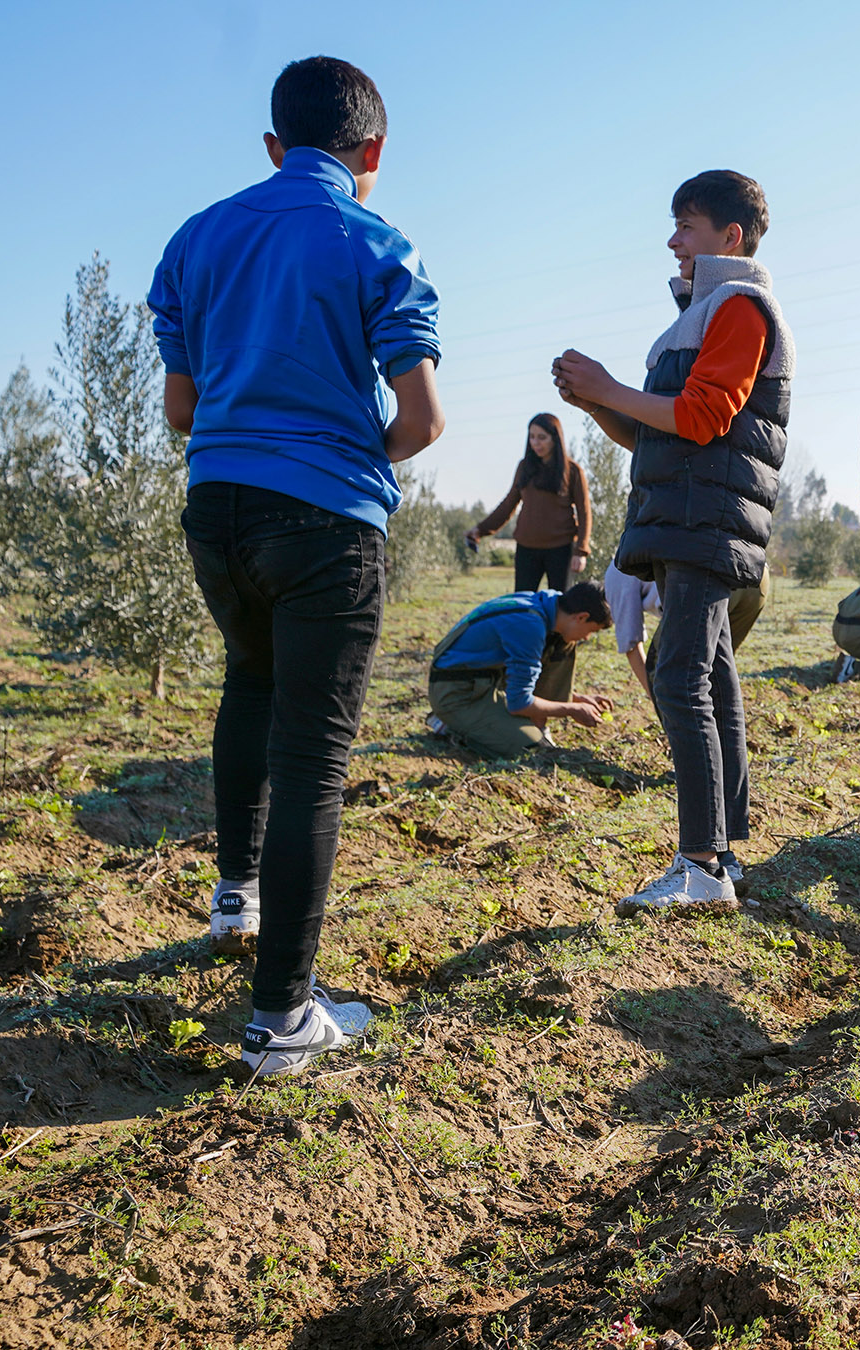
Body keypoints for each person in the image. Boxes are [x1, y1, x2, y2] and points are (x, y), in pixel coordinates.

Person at [152, 56, 444, 1078]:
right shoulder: (376, 241)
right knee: (315, 760)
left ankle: (237, 898)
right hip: (323, 522)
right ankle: (281, 1019)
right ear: (373, 155)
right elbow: (421, 418)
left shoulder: (197, 239)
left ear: (275, 148)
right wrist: (348, 454)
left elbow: (183, 410)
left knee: (249, 684)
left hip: (215, 508)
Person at [552, 170, 786, 914]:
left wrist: (611, 382)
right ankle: (724, 853)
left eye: (686, 225)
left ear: (730, 237)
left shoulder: (740, 306)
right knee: (712, 679)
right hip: (688, 517)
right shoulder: (700, 313)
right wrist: (596, 401)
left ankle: (699, 865)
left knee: (680, 678)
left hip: (704, 523)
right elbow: (651, 428)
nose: (673, 239)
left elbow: (704, 416)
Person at [426, 583, 614, 758]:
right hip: (457, 694)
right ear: (581, 617)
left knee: (563, 643)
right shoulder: (529, 626)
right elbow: (519, 703)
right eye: (592, 630)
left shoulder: (548, 605)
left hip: (482, 678)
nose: (588, 638)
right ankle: (450, 724)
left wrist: (574, 698)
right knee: (535, 751)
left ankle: (532, 724)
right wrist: (571, 709)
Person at [603, 559, 770, 708]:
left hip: (712, 582)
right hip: (756, 576)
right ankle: (724, 740)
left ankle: (687, 741)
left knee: (664, 673)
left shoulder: (616, 572)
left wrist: (659, 702)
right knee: (716, 670)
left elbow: (631, 644)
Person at [467, 412, 592, 591]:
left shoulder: (572, 471)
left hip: (561, 549)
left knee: (560, 606)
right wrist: (481, 529)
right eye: (532, 437)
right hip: (527, 548)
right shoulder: (524, 467)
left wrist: (581, 551)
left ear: (555, 439)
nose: (535, 442)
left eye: (542, 437)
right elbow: (508, 504)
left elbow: (585, 513)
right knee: (522, 605)